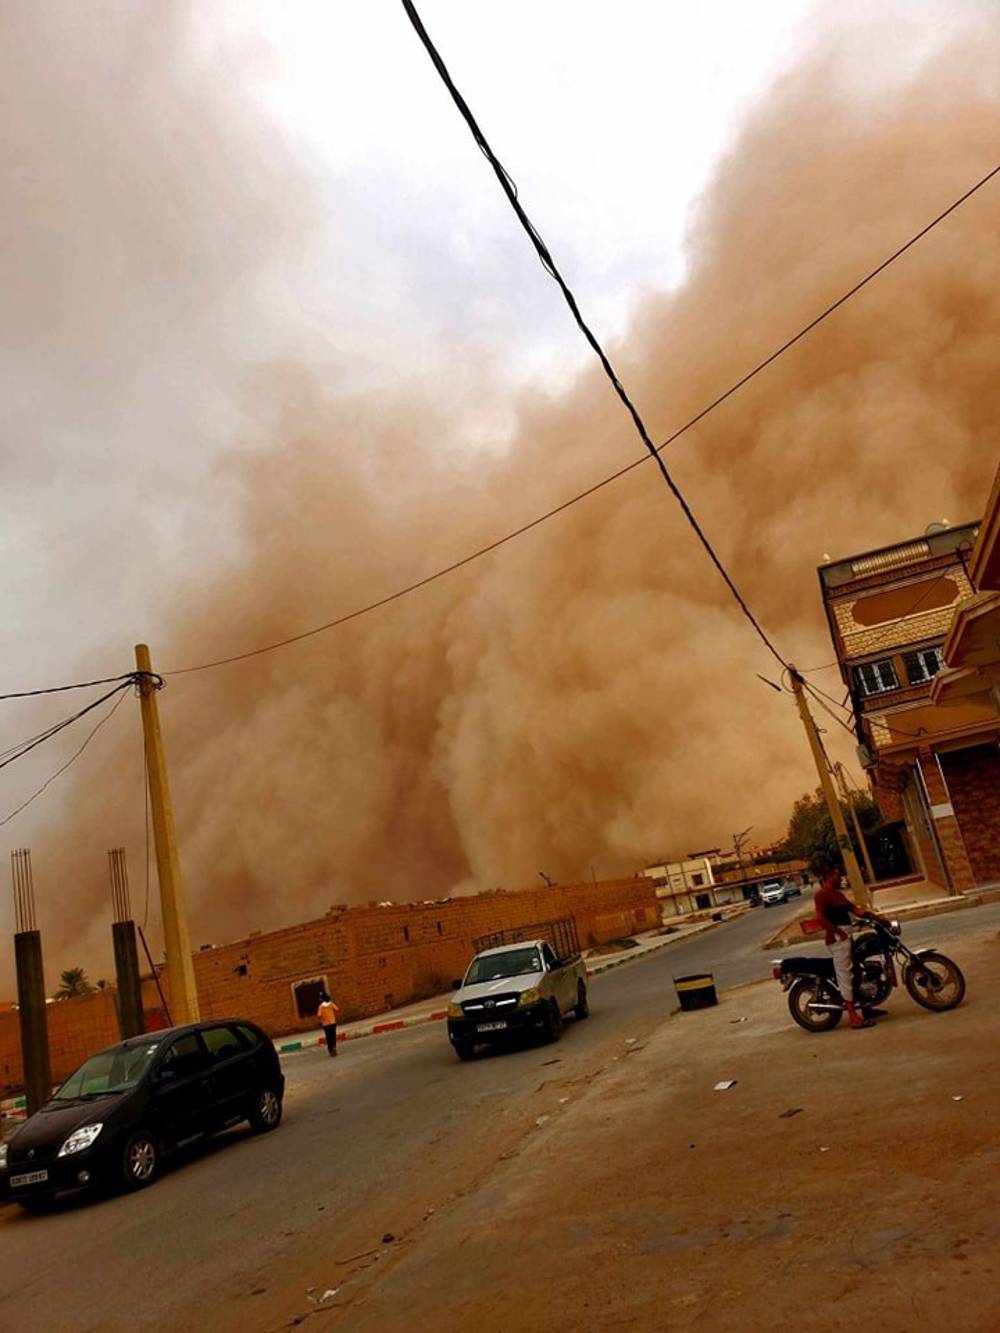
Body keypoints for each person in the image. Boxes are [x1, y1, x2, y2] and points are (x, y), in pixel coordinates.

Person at [813, 867, 888, 1029]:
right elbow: (820, 917)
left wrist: (876, 918)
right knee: (845, 975)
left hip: (847, 937)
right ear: (828, 876)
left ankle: (866, 1008)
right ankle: (853, 1017)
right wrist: (837, 931)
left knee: (859, 968)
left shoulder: (838, 895)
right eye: (837, 875)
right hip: (838, 940)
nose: (840, 878)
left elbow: (856, 910)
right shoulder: (822, 895)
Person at [317, 990, 340, 1057]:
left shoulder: (321, 1007)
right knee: (333, 1036)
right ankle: (334, 1047)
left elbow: (319, 1015)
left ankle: (330, 1050)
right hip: (333, 1022)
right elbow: (337, 1009)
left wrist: (322, 1019)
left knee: (328, 1037)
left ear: (322, 998)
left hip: (326, 1024)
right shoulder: (331, 1004)